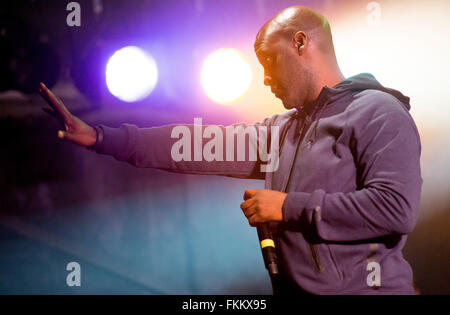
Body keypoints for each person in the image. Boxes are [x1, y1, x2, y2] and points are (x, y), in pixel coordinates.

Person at [39, 6, 422, 294]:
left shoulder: (377, 111)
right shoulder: (281, 132)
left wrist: (287, 206)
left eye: (270, 61)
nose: (266, 78)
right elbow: (190, 146)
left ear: (301, 42)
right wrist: (101, 137)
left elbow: (395, 208)